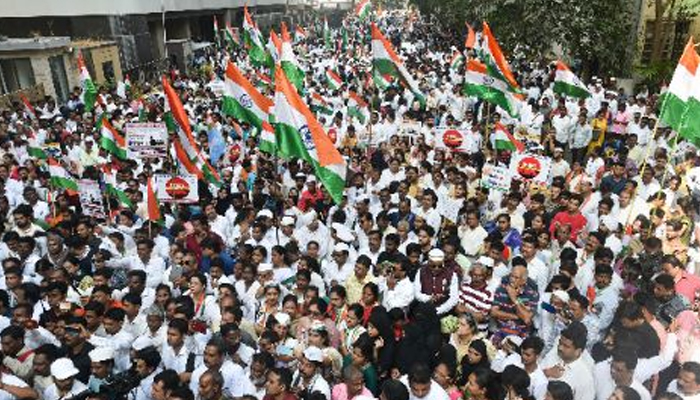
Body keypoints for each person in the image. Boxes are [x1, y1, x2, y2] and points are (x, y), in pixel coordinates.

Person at [541, 322, 594, 400]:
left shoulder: (584, 378)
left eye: (566, 346)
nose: (560, 348)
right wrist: (547, 373)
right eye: (560, 343)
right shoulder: (552, 356)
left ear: (578, 351)